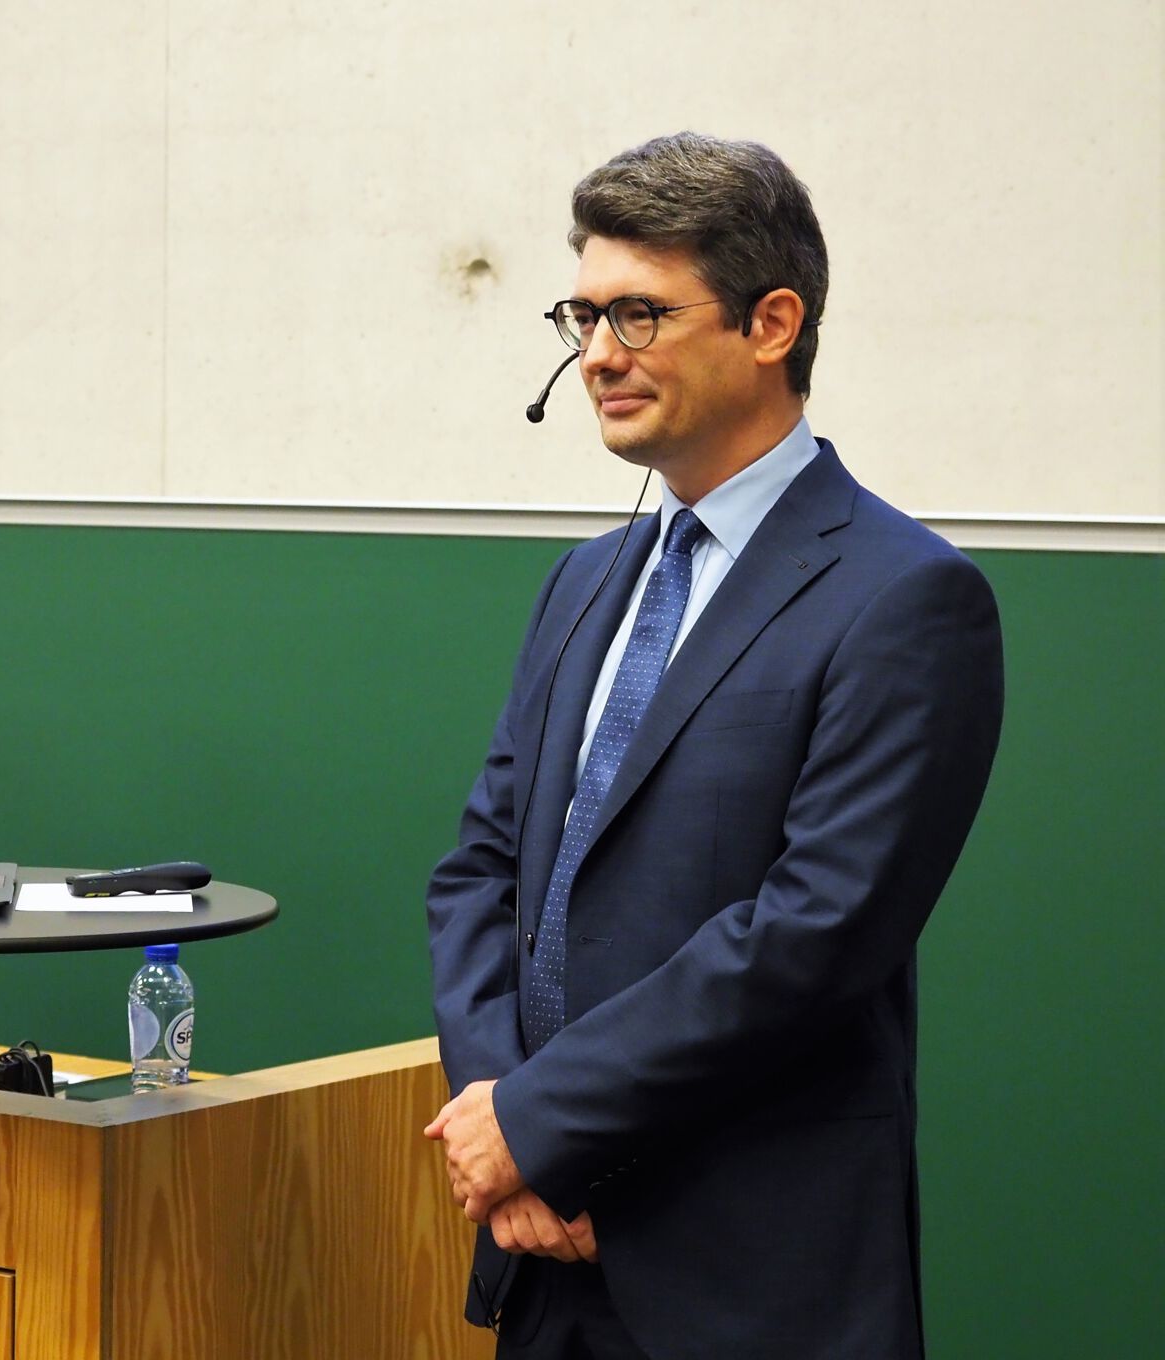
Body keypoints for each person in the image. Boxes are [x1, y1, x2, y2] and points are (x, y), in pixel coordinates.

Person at [424, 134, 1004, 1359]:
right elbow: (479, 876)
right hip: (539, 1258)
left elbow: (811, 934)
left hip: (748, 1283)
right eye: (578, 315)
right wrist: (506, 1142)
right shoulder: (584, 583)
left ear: (770, 322)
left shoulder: (904, 598)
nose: (593, 357)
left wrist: (541, 1121)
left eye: (635, 314)